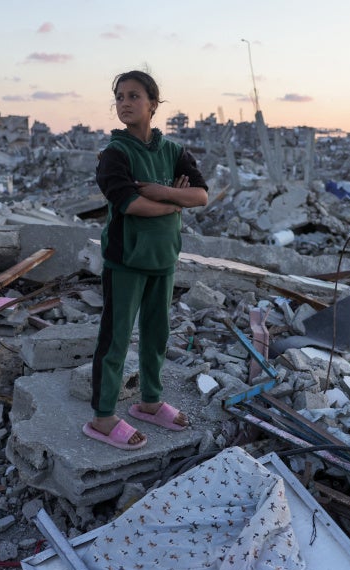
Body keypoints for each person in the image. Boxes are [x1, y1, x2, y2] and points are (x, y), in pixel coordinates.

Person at [83, 70, 209, 450]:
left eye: (133, 96)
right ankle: (104, 417)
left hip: (163, 257)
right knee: (116, 339)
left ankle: (150, 402)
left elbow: (202, 195)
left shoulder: (172, 152)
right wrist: (174, 201)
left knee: (157, 335)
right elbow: (130, 203)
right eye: (119, 96)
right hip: (127, 260)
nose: (124, 102)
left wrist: (162, 191)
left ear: (153, 104)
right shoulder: (114, 155)